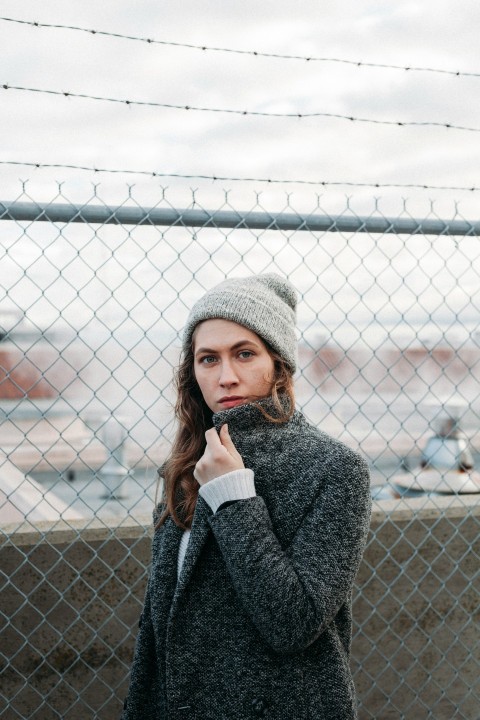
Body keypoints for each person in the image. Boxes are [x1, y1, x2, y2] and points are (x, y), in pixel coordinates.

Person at [121, 274, 372, 720]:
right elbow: (159, 628)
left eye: (244, 354)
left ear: (279, 364)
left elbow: (294, 623)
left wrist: (233, 497)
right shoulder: (187, 465)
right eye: (208, 359)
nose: (226, 376)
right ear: (192, 372)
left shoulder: (333, 469)